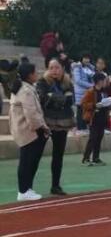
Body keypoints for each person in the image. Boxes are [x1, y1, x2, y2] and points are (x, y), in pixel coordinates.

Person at [9, 63, 51, 201]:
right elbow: (31, 113)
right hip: (29, 131)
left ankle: (27, 188)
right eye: (35, 72)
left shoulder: (24, 87)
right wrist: (42, 128)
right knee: (27, 161)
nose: (37, 74)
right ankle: (23, 190)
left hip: (26, 129)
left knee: (30, 161)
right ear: (29, 75)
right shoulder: (25, 90)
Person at [36, 59, 75, 195]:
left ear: (62, 68)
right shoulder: (42, 82)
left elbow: (70, 101)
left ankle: (55, 186)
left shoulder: (68, 82)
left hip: (63, 122)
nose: (54, 70)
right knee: (36, 154)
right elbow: (43, 99)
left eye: (57, 67)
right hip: (46, 122)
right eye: (51, 67)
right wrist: (60, 98)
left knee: (58, 155)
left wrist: (53, 97)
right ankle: (27, 187)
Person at [81, 73, 111, 166]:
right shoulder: (91, 91)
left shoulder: (104, 92)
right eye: (104, 80)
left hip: (102, 118)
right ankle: (86, 158)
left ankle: (96, 158)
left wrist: (109, 104)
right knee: (93, 138)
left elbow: (106, 102)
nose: (105, 82)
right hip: (94, 118)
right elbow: (84, 104)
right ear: (99, 81)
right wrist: (94, 105)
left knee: (99, 138)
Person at [72, 54, 95, 133]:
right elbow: (78, 80)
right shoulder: (77, 68)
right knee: (80, 110)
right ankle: (80, 128)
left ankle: (85, 127)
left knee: (86, 110)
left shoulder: (90, 68)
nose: (87, 60)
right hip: (80, 92)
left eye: (88, 58)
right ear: (81, 58)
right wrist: (91, 85)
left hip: (88, 92)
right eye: (85, 58)